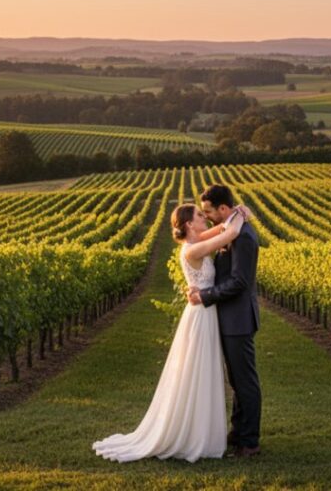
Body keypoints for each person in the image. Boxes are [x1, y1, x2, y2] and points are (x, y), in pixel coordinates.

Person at [92, 201, 246, 463]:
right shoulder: (191, 250)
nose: (204, 218)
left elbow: (220, 228)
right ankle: (194, 436)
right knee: (197, 371)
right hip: (200, 316)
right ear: (189, 224)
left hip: (205, 312)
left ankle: (203, 433)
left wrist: (229, 217)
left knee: (204, 371)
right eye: (199, 215)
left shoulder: (196, 242)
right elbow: (229, 233)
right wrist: (240, 214)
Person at [188, 184, 262, 458]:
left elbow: (239, 282)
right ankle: (238, 432)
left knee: (245, 382)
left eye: (208, 211)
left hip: (238, 319)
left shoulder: (242, 237)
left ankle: (250, 442)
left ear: (223, 209)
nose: (206, 216)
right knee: (237, 380)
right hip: (229, 317)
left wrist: (205, 295)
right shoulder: (231, 228)